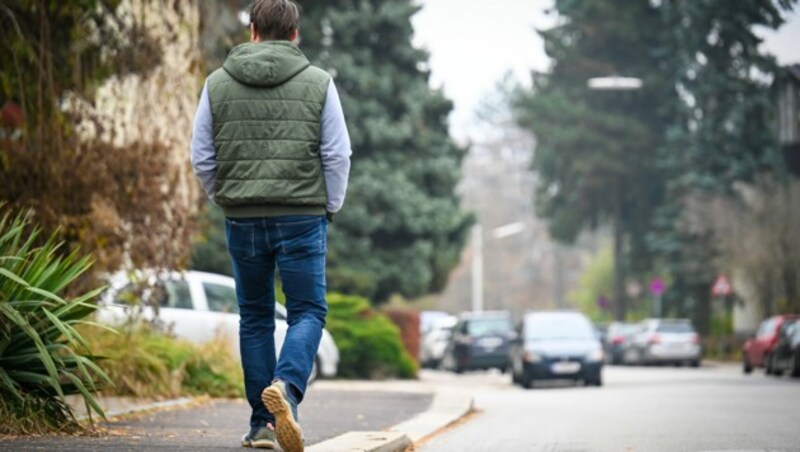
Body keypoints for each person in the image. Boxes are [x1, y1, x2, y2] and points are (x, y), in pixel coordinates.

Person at [190, 0, 352, 449]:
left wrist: (224, 196)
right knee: (308, 311)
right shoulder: (319, 83)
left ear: (253, 31)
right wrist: (329, 205)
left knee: (256, 316)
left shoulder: (217, 83)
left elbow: (201, 155)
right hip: (302, 215)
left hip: (243, 217)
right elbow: (338, 153)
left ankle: (262, 424)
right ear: (295, 34)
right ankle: (286, 386)